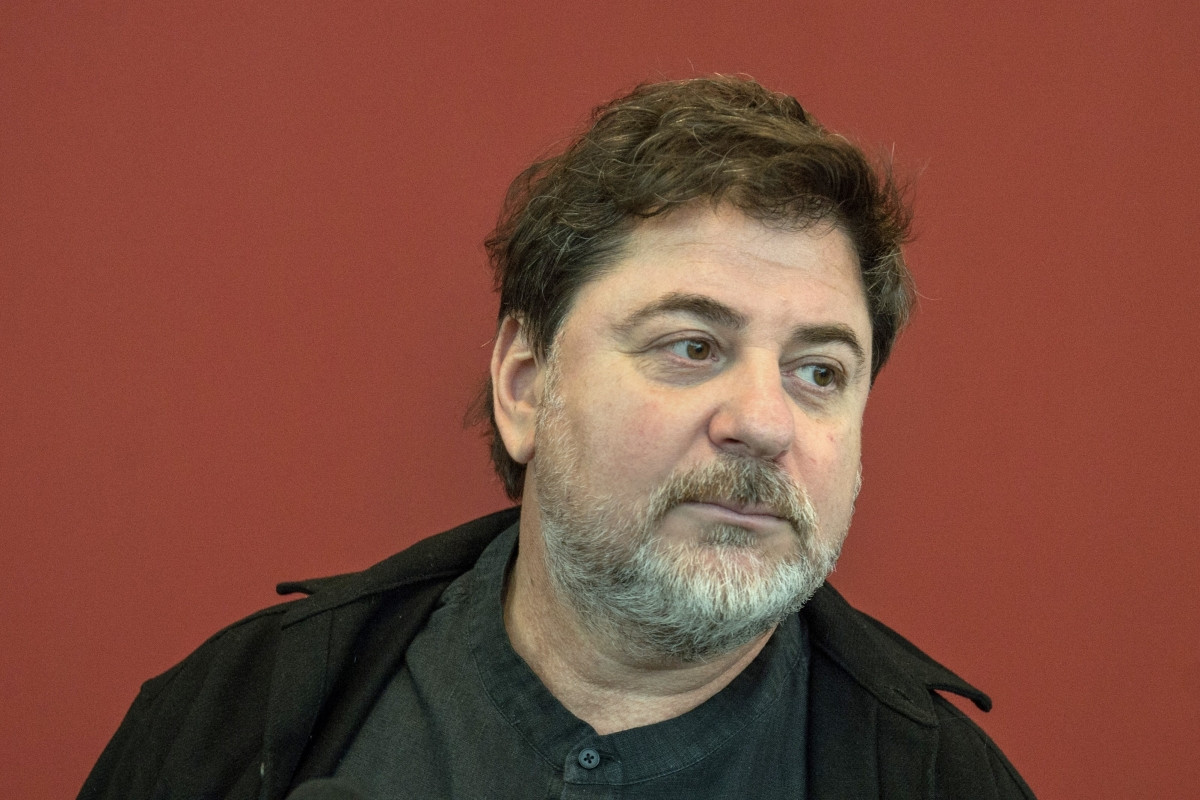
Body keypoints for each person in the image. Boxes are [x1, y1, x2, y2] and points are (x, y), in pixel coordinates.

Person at [79, 76, 1036, 799]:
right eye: (692, 346)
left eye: (819, 371)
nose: (762, 421)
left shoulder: (948, 783)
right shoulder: (233, 724)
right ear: (526, 387)